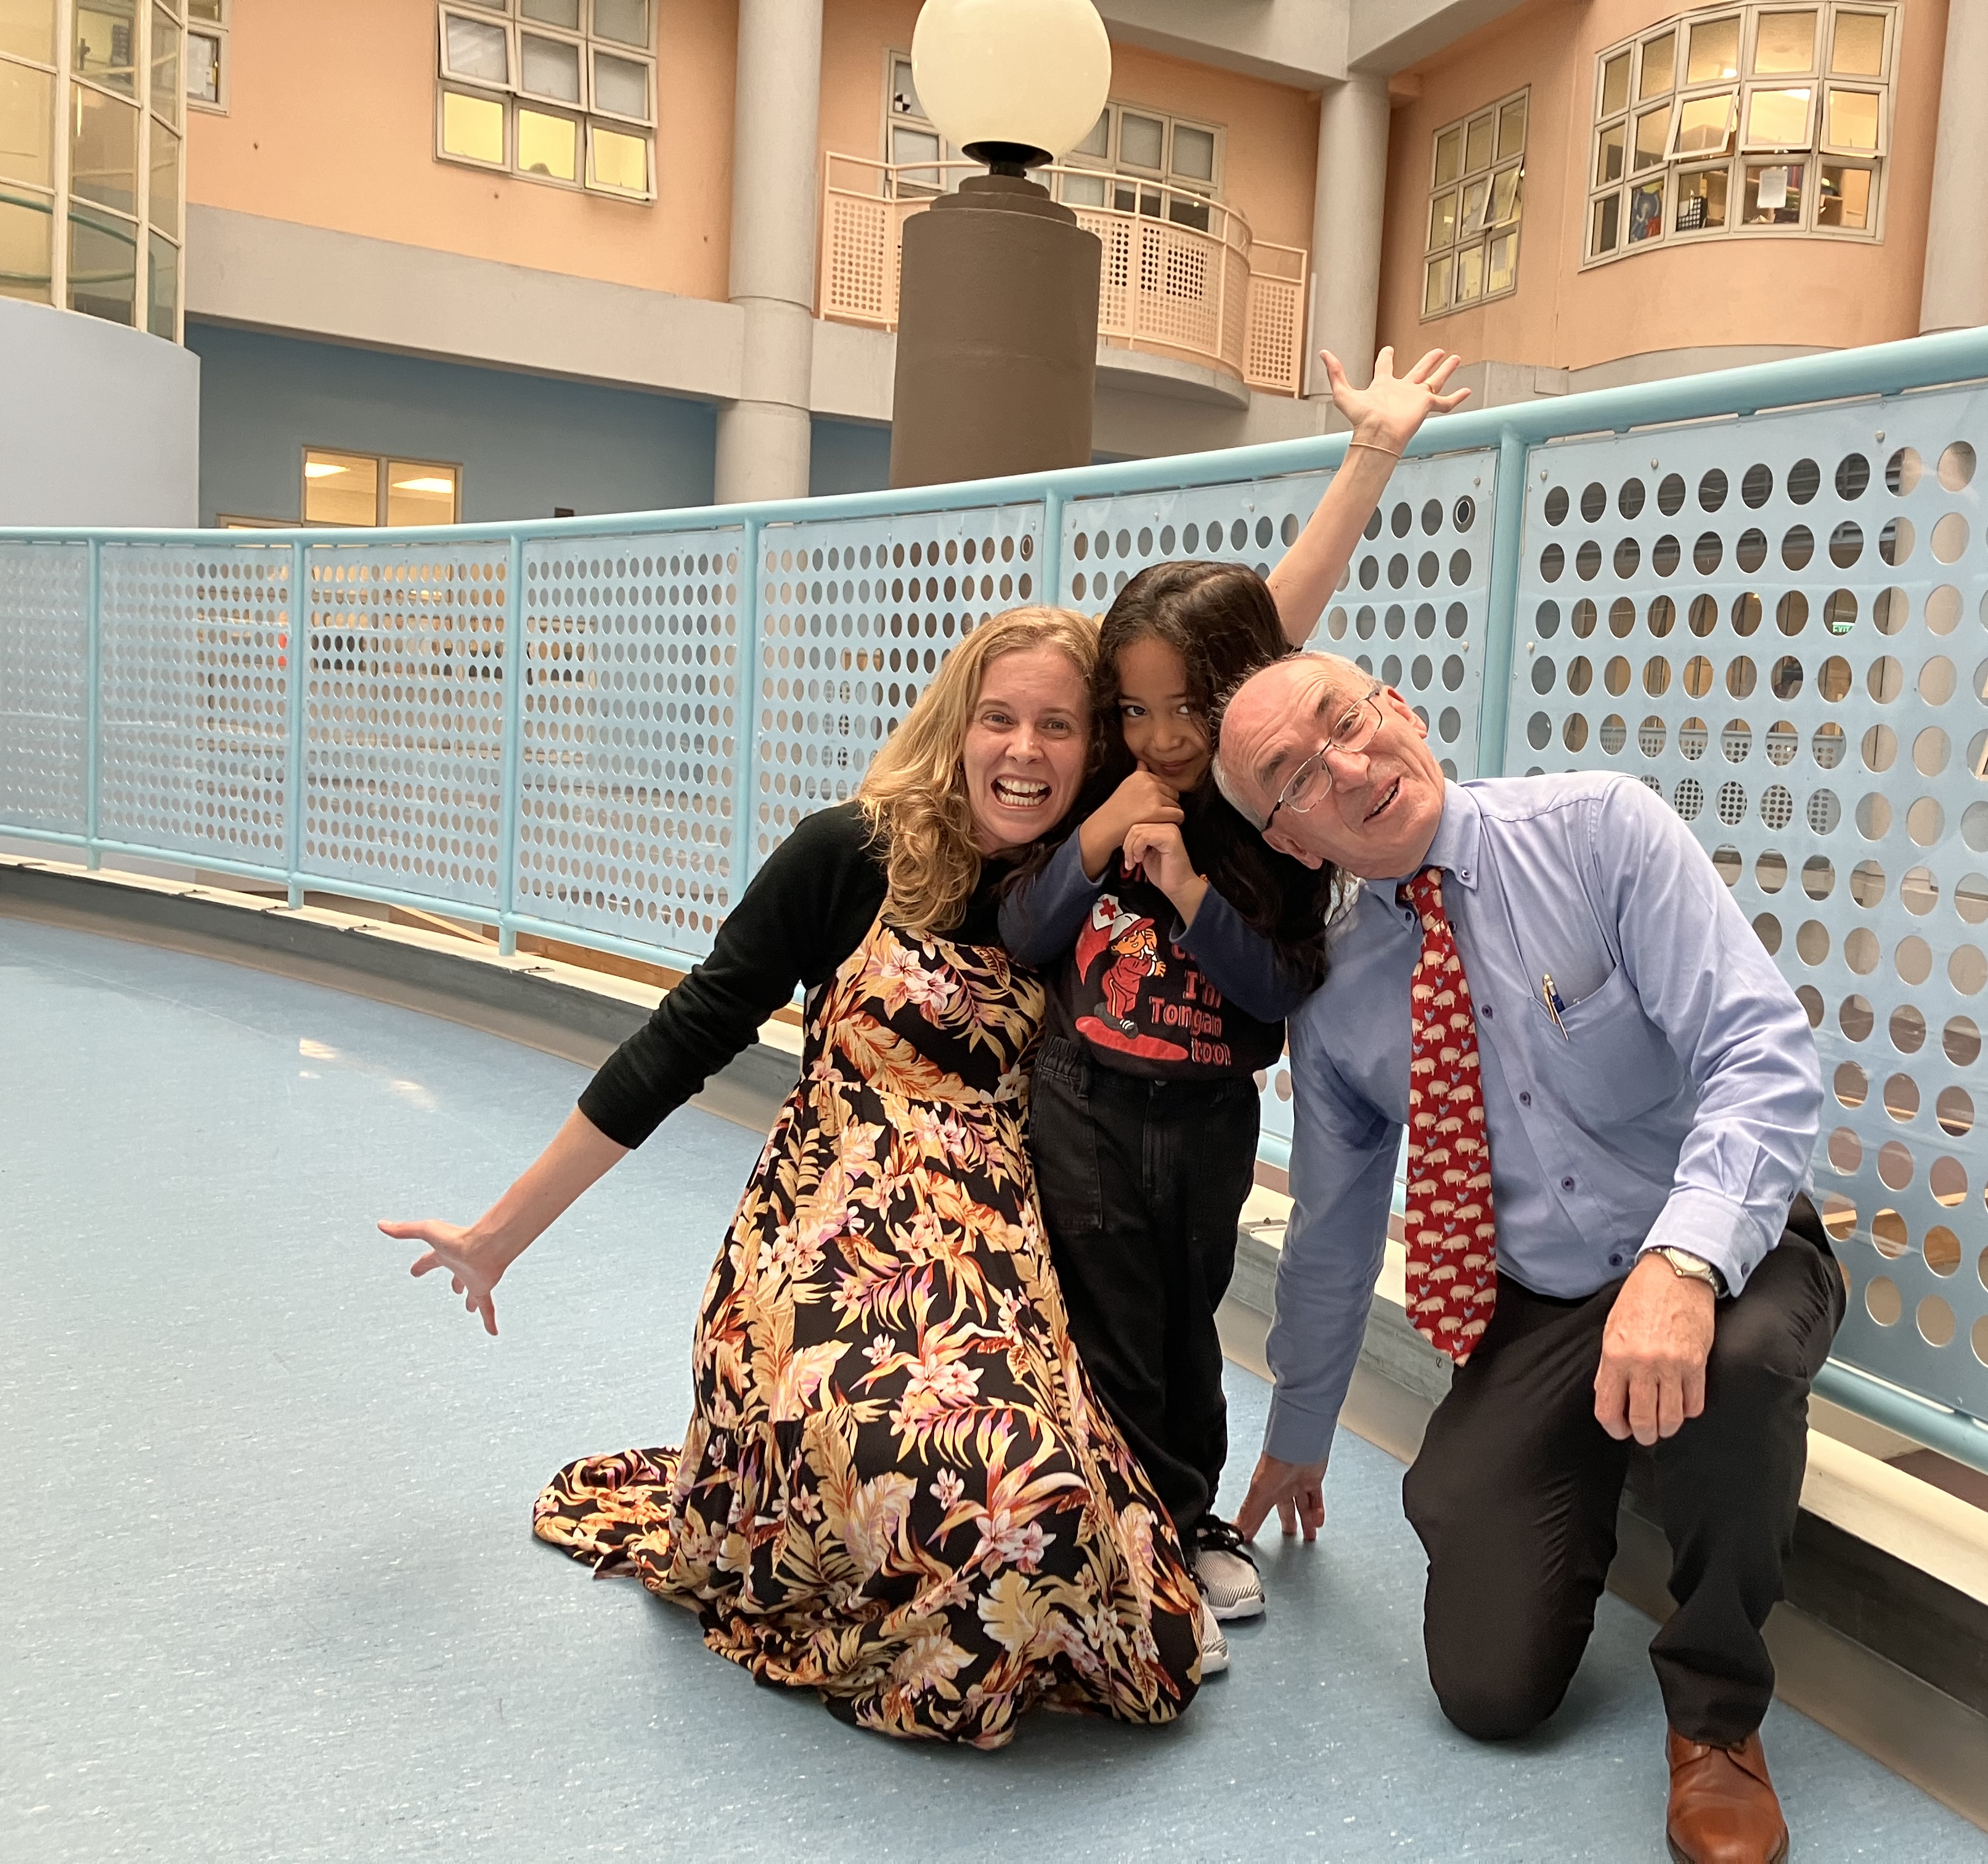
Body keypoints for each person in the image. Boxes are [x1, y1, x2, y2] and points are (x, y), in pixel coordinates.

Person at [379, 607, 1204, 1750]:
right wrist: (499, 1235)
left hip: (988, 1261)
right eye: (999, 718)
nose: (1025, 750)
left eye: (1058, 726)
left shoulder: (1094, 884)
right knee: (930, 1483)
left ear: (1096, 746)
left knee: (1035, 1502)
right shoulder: (850, 853)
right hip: (822, 1242)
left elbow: (1220, 662)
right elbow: (686, 1036)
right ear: (956, 725)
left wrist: (1358, 489)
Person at [1214, 653, 1836, 1863]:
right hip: (1541, 1302)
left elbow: (1761, 1054)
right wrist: (1298, 1429)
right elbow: (1334, 1228)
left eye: (1348, 721)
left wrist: (1685, 1264)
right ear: (1289, 839)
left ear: (1400, 709)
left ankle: (1716, 1720)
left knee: (1742, 1364)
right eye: (1296, 775)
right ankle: (1594, 1459)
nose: (1348, 766)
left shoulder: (1601, 832)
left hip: (1722, 1245)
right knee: (1489, 1693)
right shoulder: (1335, 995)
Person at [1001, 348, 1467, 1637]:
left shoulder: (1260, 814)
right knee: (1111, 1320)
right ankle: (1128, 1532)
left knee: (1190, 1320)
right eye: (1131, 711)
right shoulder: (1108, 795)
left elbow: (1269, 1003)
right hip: (1083, 1102)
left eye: (1185, 711)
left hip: (1208, 1117)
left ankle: (1186, 1515)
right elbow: (1025, 930)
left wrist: (1192, 889)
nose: (1160, 737)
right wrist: (1102, 838)